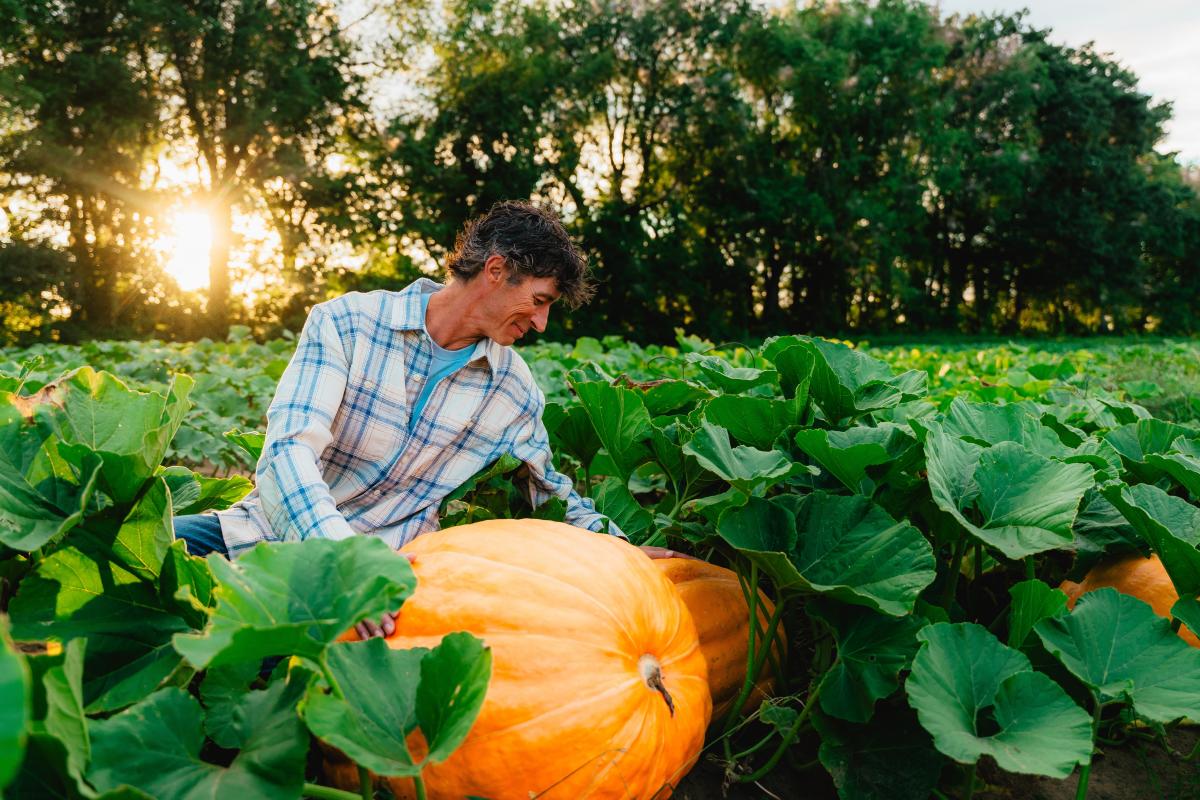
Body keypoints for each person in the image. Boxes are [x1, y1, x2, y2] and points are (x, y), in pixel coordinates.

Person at [173, 200, 679, 639]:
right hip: (268, 536)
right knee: (129, 553)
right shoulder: (347, 323)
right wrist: (346, 562)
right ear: (497, 270)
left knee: (262, 659)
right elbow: (288, 452)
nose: (541, 322)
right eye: (540, 301)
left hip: (389, 585)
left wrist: (621, 552)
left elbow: (551, 494)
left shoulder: (513, 389)